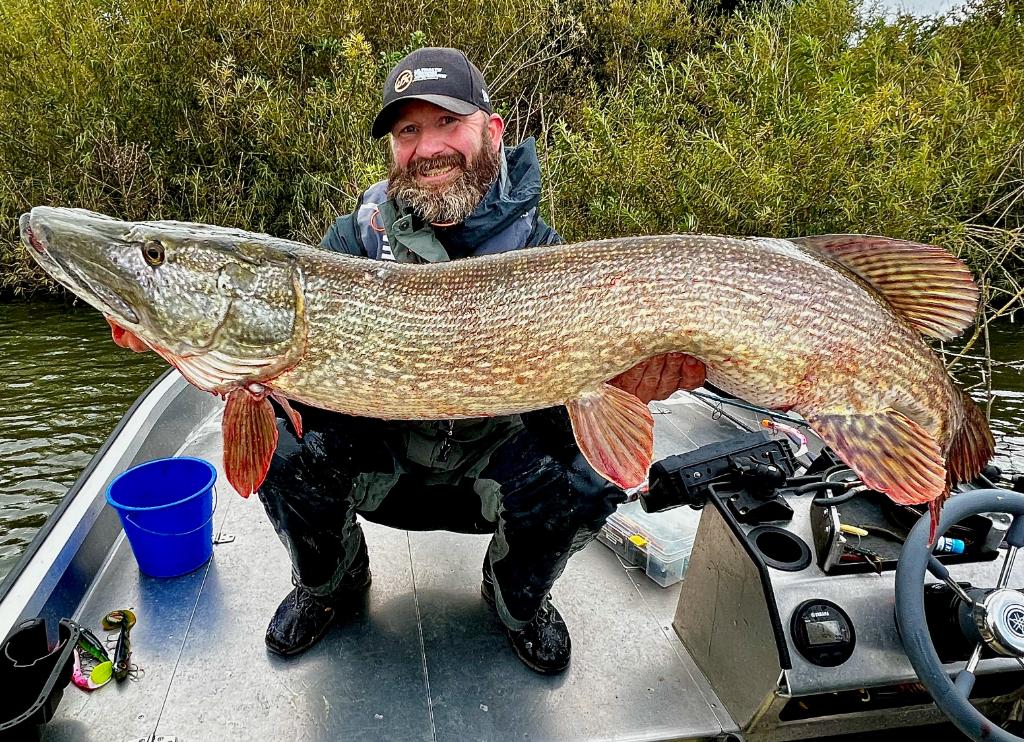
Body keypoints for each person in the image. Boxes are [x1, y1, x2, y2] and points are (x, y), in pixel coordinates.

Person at [255, 47, 706, 674]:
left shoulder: (543, 254)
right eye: (408, 130)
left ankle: (513, 598)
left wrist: (630, 378)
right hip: (391, 470)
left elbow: (586, 410)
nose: (427, 146)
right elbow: (315, 386)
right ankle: (330, 583)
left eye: (447, 122)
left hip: (492, 477)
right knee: (282, 447)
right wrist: (241, 369)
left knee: (593, 473)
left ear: (492, 131)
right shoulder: (353, 244)